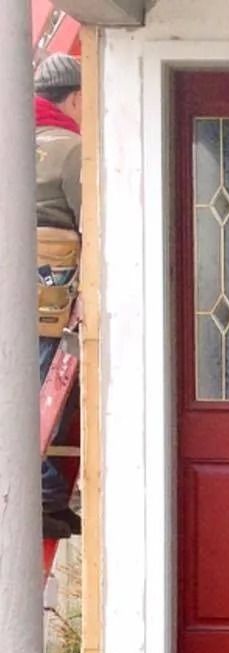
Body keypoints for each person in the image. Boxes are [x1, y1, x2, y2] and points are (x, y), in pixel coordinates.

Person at [35, 53, 83, 540]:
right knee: (45, 393)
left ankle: (47, 497)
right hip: (48, 297)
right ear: (74, 97)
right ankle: (44, 493)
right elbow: (94, 220)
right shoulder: (72, 149)